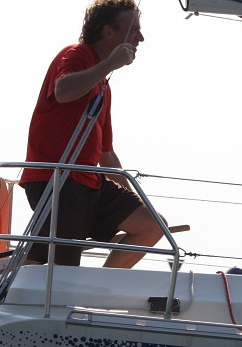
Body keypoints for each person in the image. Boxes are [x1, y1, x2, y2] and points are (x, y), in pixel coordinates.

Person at [19, 0, 165, 268]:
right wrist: (109, 64)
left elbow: (106, 154)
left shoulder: (103, 87)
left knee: (153, 225)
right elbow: (63, 91)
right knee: (58, 268)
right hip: (58, 180)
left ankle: (99, 286)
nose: (140, 38)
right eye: (134, 30)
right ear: (108, 32)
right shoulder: (77, 54)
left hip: (89, 183)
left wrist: (135, 197)